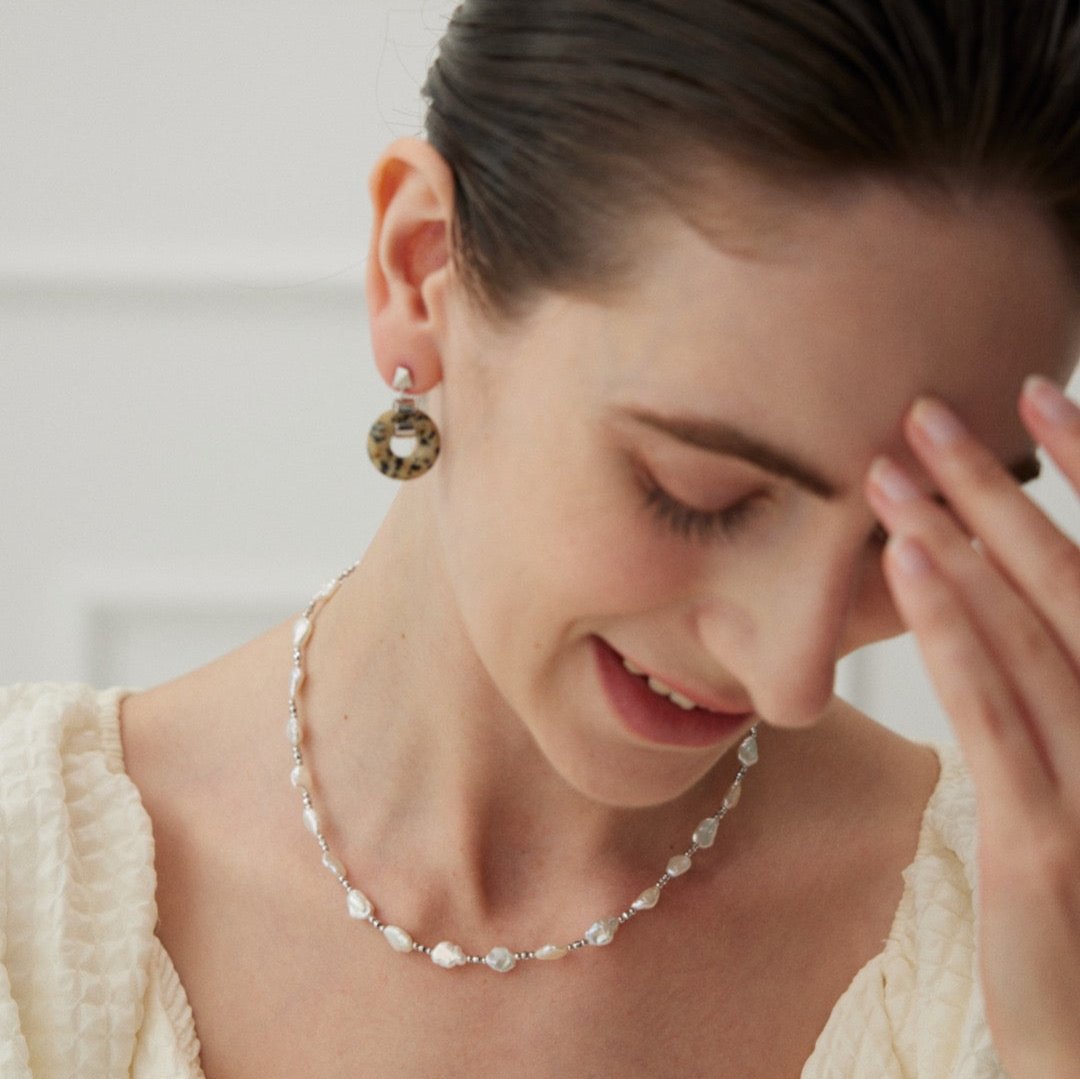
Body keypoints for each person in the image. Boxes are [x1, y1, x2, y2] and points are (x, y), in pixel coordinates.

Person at [2, 1, 1079, 1076]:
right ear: (423, 271)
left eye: (928, 526)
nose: (794, 675)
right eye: (694, 490)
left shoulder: (1020, 935)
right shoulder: (25, 902)